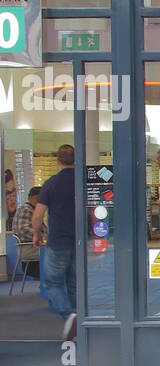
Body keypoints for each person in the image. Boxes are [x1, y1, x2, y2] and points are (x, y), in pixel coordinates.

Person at [32, 145, 77, 340]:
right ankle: (79, 322)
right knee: (76, 283)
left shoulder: (51, 183)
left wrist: (36, 235)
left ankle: (69, 315)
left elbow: (37, 215)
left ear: (57, 161)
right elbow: (93, 212)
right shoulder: (82, 182)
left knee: (53, 282)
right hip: (79, 241)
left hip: (58, 241)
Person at [11, 186, 42, 279]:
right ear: (36, 198)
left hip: (29, 249)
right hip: (30, 250)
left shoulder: (30, 209)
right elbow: (23, 230)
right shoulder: (26, 209)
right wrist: (41, 237)